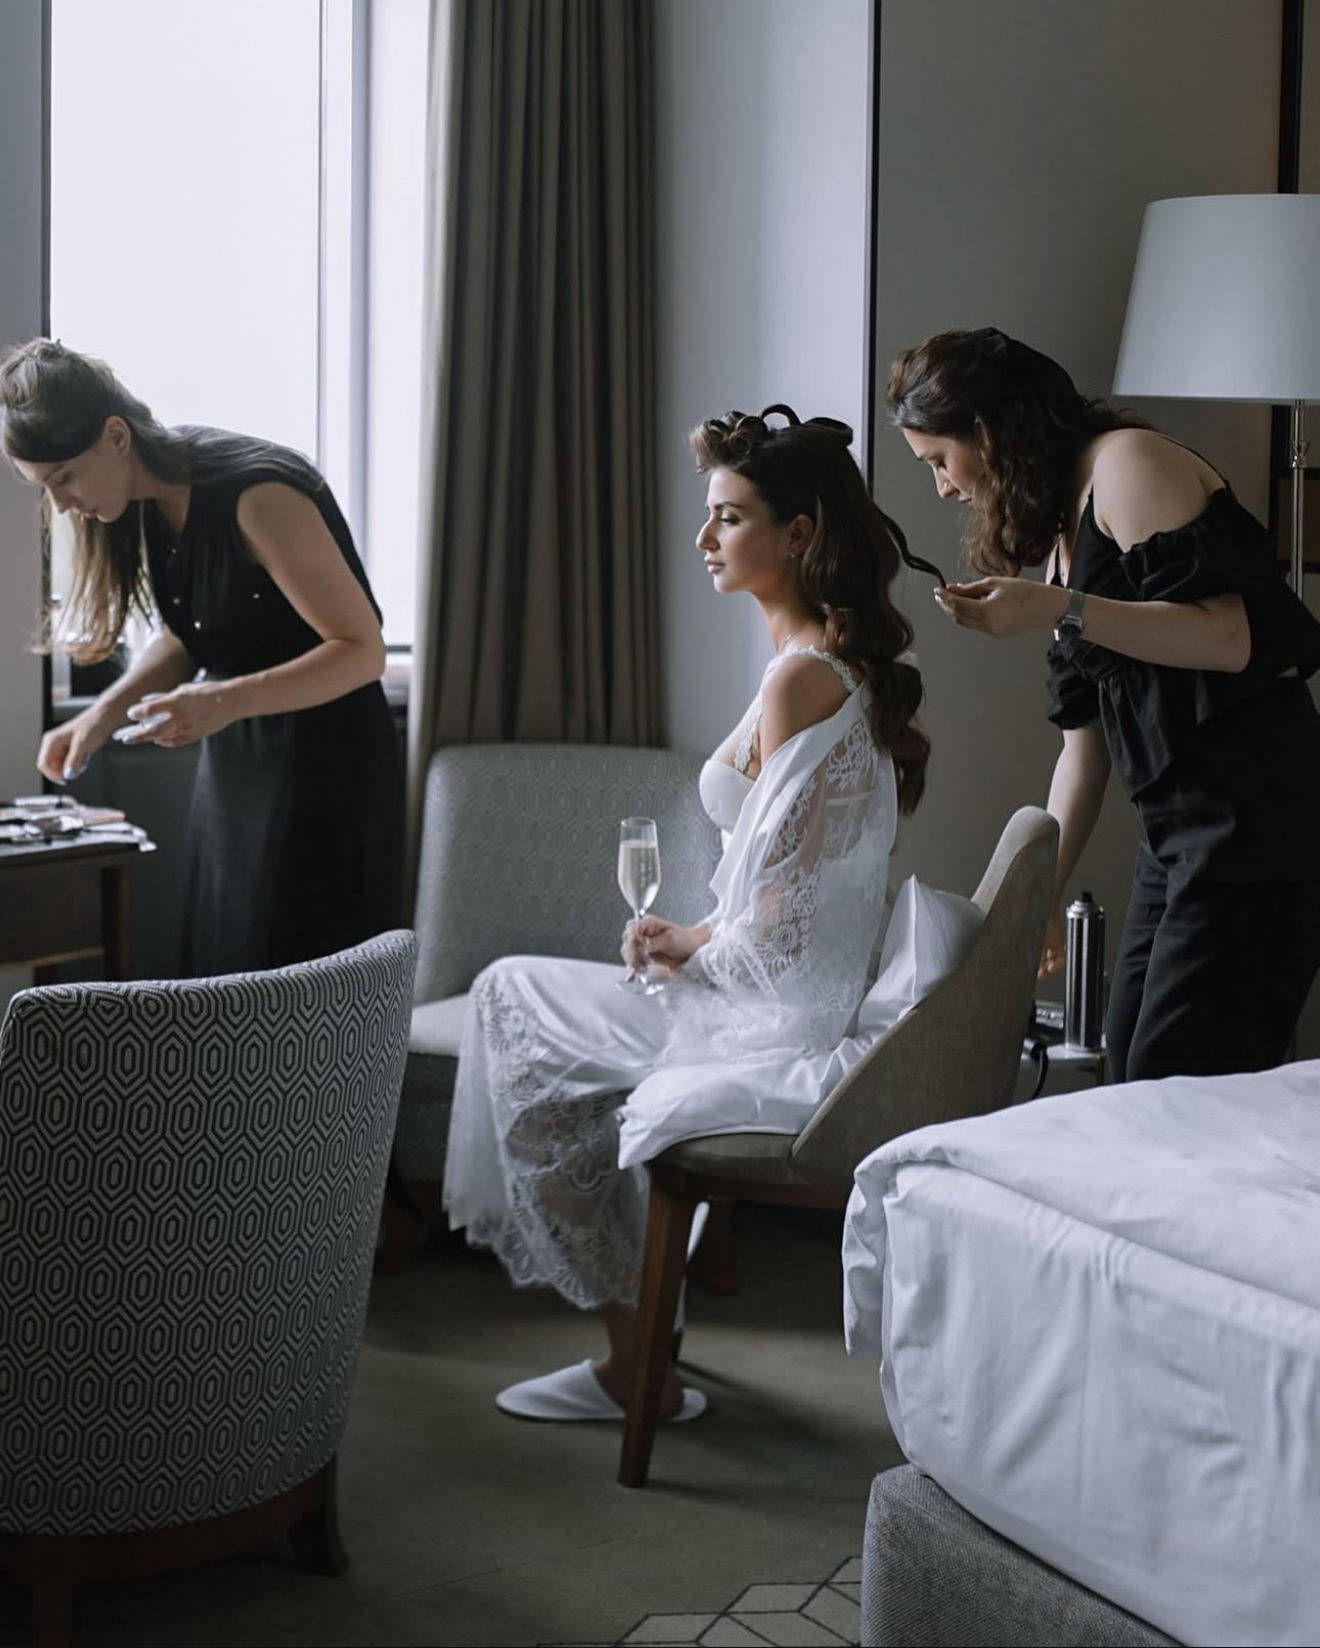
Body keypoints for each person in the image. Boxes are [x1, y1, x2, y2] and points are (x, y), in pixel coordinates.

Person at [443, 404, 930, 1422]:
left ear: (797, 535)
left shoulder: (804, 679)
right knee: (537, 1015)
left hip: (775, 1018)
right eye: (708, 516)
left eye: (729, 517)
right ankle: (640, 1342)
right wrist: (692, 936)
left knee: (510, 996)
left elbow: (784, 929)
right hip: (771, 988)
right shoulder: (816, 664)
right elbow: (781, 898)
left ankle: (637, 1362)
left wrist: (701, 958)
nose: (705, 540)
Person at [887, 325, 1320, 1083]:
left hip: (1261, 823)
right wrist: (1041, 900)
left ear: (984, 432)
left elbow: (1231, 638)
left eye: (940, 461)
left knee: (1174, 1080)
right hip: (1178, 836)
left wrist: (1062, 605)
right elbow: (1081, 752)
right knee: (1132, 1066)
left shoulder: (1127, 464)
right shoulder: (1062, 527)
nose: (944, 487)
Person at [0, 337, 403, 977]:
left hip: (324, 766)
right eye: (43, 488)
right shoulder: (145, 504)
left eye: (63, 478)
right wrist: (100, 716)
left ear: (115, 435)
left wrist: (222, 701)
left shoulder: (257, 496)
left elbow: (362, 652)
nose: (60, 504)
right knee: (228, 964)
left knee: (296, 981)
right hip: (237, 760)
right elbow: (194, 632)